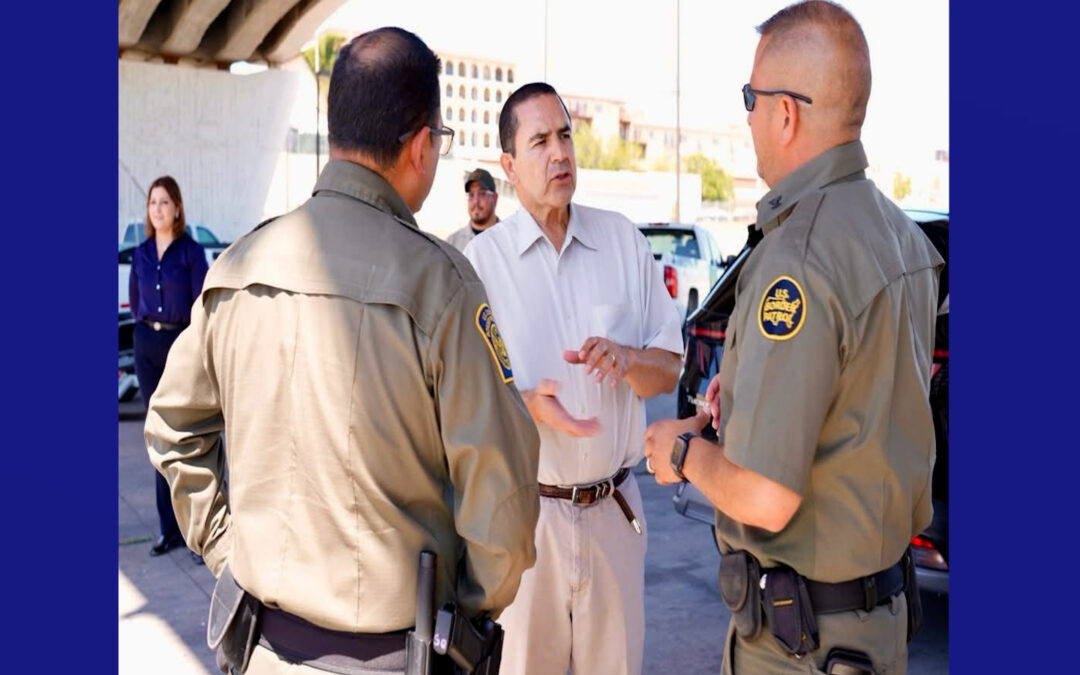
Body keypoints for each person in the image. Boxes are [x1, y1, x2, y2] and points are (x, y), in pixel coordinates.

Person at [144, 27, 540, 675]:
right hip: (394, 655)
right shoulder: (441, 284)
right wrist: (461, 611)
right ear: (420, 146)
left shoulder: (239, 266)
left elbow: (172, 429)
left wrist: (229, 548)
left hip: (262, 650)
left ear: (336, 135)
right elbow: (503, 498)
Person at [642, 2, 944, 673]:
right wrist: (746, 398)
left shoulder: (799, 256)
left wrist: (682, 449)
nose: (746, 116)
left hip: (800, 646)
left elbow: (767, 497)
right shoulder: (904, 240)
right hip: (879, 624)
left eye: (750, 98)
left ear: (786, 112)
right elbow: (857, 414)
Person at [464, 82, 683, 675]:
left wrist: (628, 359)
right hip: (528, 523)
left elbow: (668, 369)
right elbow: (457, 406)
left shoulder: (622, 243)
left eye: (565, 135)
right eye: (539, 142)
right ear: (509, 165)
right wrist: (526, 405)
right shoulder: (480, 267)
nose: (559, 153)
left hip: (614, 511)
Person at [128, 175, 208, 563]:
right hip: (147, 346)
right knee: (159, 437)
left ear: (177, 208)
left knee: (186, 437)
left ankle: (196, 535)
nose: (157, 208)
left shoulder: (192, 253)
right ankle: (168, 530)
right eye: (152, 202)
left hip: (181, 345)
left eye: (164, 202)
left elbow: (201, 308)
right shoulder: (141, 254)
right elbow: (135, 299)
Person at [446, 168, 500, 252]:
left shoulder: (509, 239)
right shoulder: (452, 244)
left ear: (495, 198)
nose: (476, 201)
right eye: (471, 195)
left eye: (482, 194)